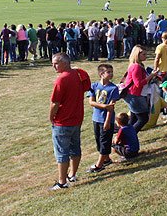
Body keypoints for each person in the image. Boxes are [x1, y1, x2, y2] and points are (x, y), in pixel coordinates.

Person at [48, 53, 91, 190]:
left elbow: (55, 102)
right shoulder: (78, 74)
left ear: (64, 63)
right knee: (75, 148)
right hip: (77, 118)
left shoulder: (62, 79)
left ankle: (62, 182)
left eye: (56, 63)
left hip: (63, 122)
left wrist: (51, 117)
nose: (53, 66)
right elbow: (86, 86)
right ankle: (72, 175)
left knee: (62, 152)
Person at [87, 64, 119, 173]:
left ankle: (99, 165)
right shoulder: (94, 86)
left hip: (106, 119)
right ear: (101, 74)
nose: (111, 74)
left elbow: (111, 107)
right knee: (98, 141)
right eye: (108, 72)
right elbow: (91, 102)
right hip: (96, 118)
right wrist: (104, 106)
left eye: (111, 72)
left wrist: (107, 121)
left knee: (104, 141)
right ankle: (107, 159)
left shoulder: (113, 88)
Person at [120, 46, 155, 131]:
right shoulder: (136, 67)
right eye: (143, 54)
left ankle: (124, 137)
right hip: (134, 95)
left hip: (133, 94)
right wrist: (151, 76)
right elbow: (138, 84)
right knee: (143, 118)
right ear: (137, 55)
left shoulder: (137, 65)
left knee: (133, 119)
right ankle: (129, 137)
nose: (146, 56)